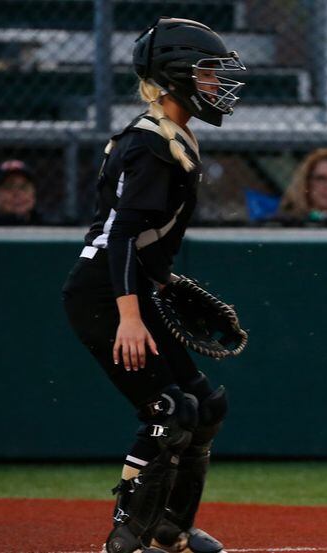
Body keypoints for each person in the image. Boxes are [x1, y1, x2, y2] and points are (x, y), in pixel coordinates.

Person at [61, 17, 246, 553]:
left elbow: (141, 237)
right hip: (102, 296)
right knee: (170, 411)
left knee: (204, 406)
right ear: (176, 74)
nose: (217, 84)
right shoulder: (151, 144)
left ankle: (171, 531)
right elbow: (120, 236)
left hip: (128, 288)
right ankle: (126, 538)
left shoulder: (171, 135)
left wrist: (161, 282)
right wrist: (131, 314)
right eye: (208, 73)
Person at [0, 159, 40, 224]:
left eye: (23, 187)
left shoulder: (51, 228)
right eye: (9, 187)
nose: (18, 193)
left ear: (33, 194)